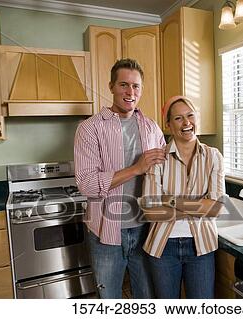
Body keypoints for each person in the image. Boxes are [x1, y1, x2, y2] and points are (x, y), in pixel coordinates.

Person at [74, 58, 166, 298]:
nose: (130, 92)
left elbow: (165, 171)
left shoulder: (151, 127)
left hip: (146, 228)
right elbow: (87, 184)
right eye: (124, 85)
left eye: (136, 86)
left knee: (146, 296)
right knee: (110, 297)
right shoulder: (90, 128)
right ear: (111, 86)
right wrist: (136, 168)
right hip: (106, 230)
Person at [139, 95, 226, 299]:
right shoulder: (157, 159)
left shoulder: (213, 156)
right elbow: (151, 211)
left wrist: (169, 200)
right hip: (163, 246)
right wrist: (200, 205)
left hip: (201, 246)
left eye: (190, 115)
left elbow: (216, 209)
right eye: (178, 118)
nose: (186, 123)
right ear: (168, 125)